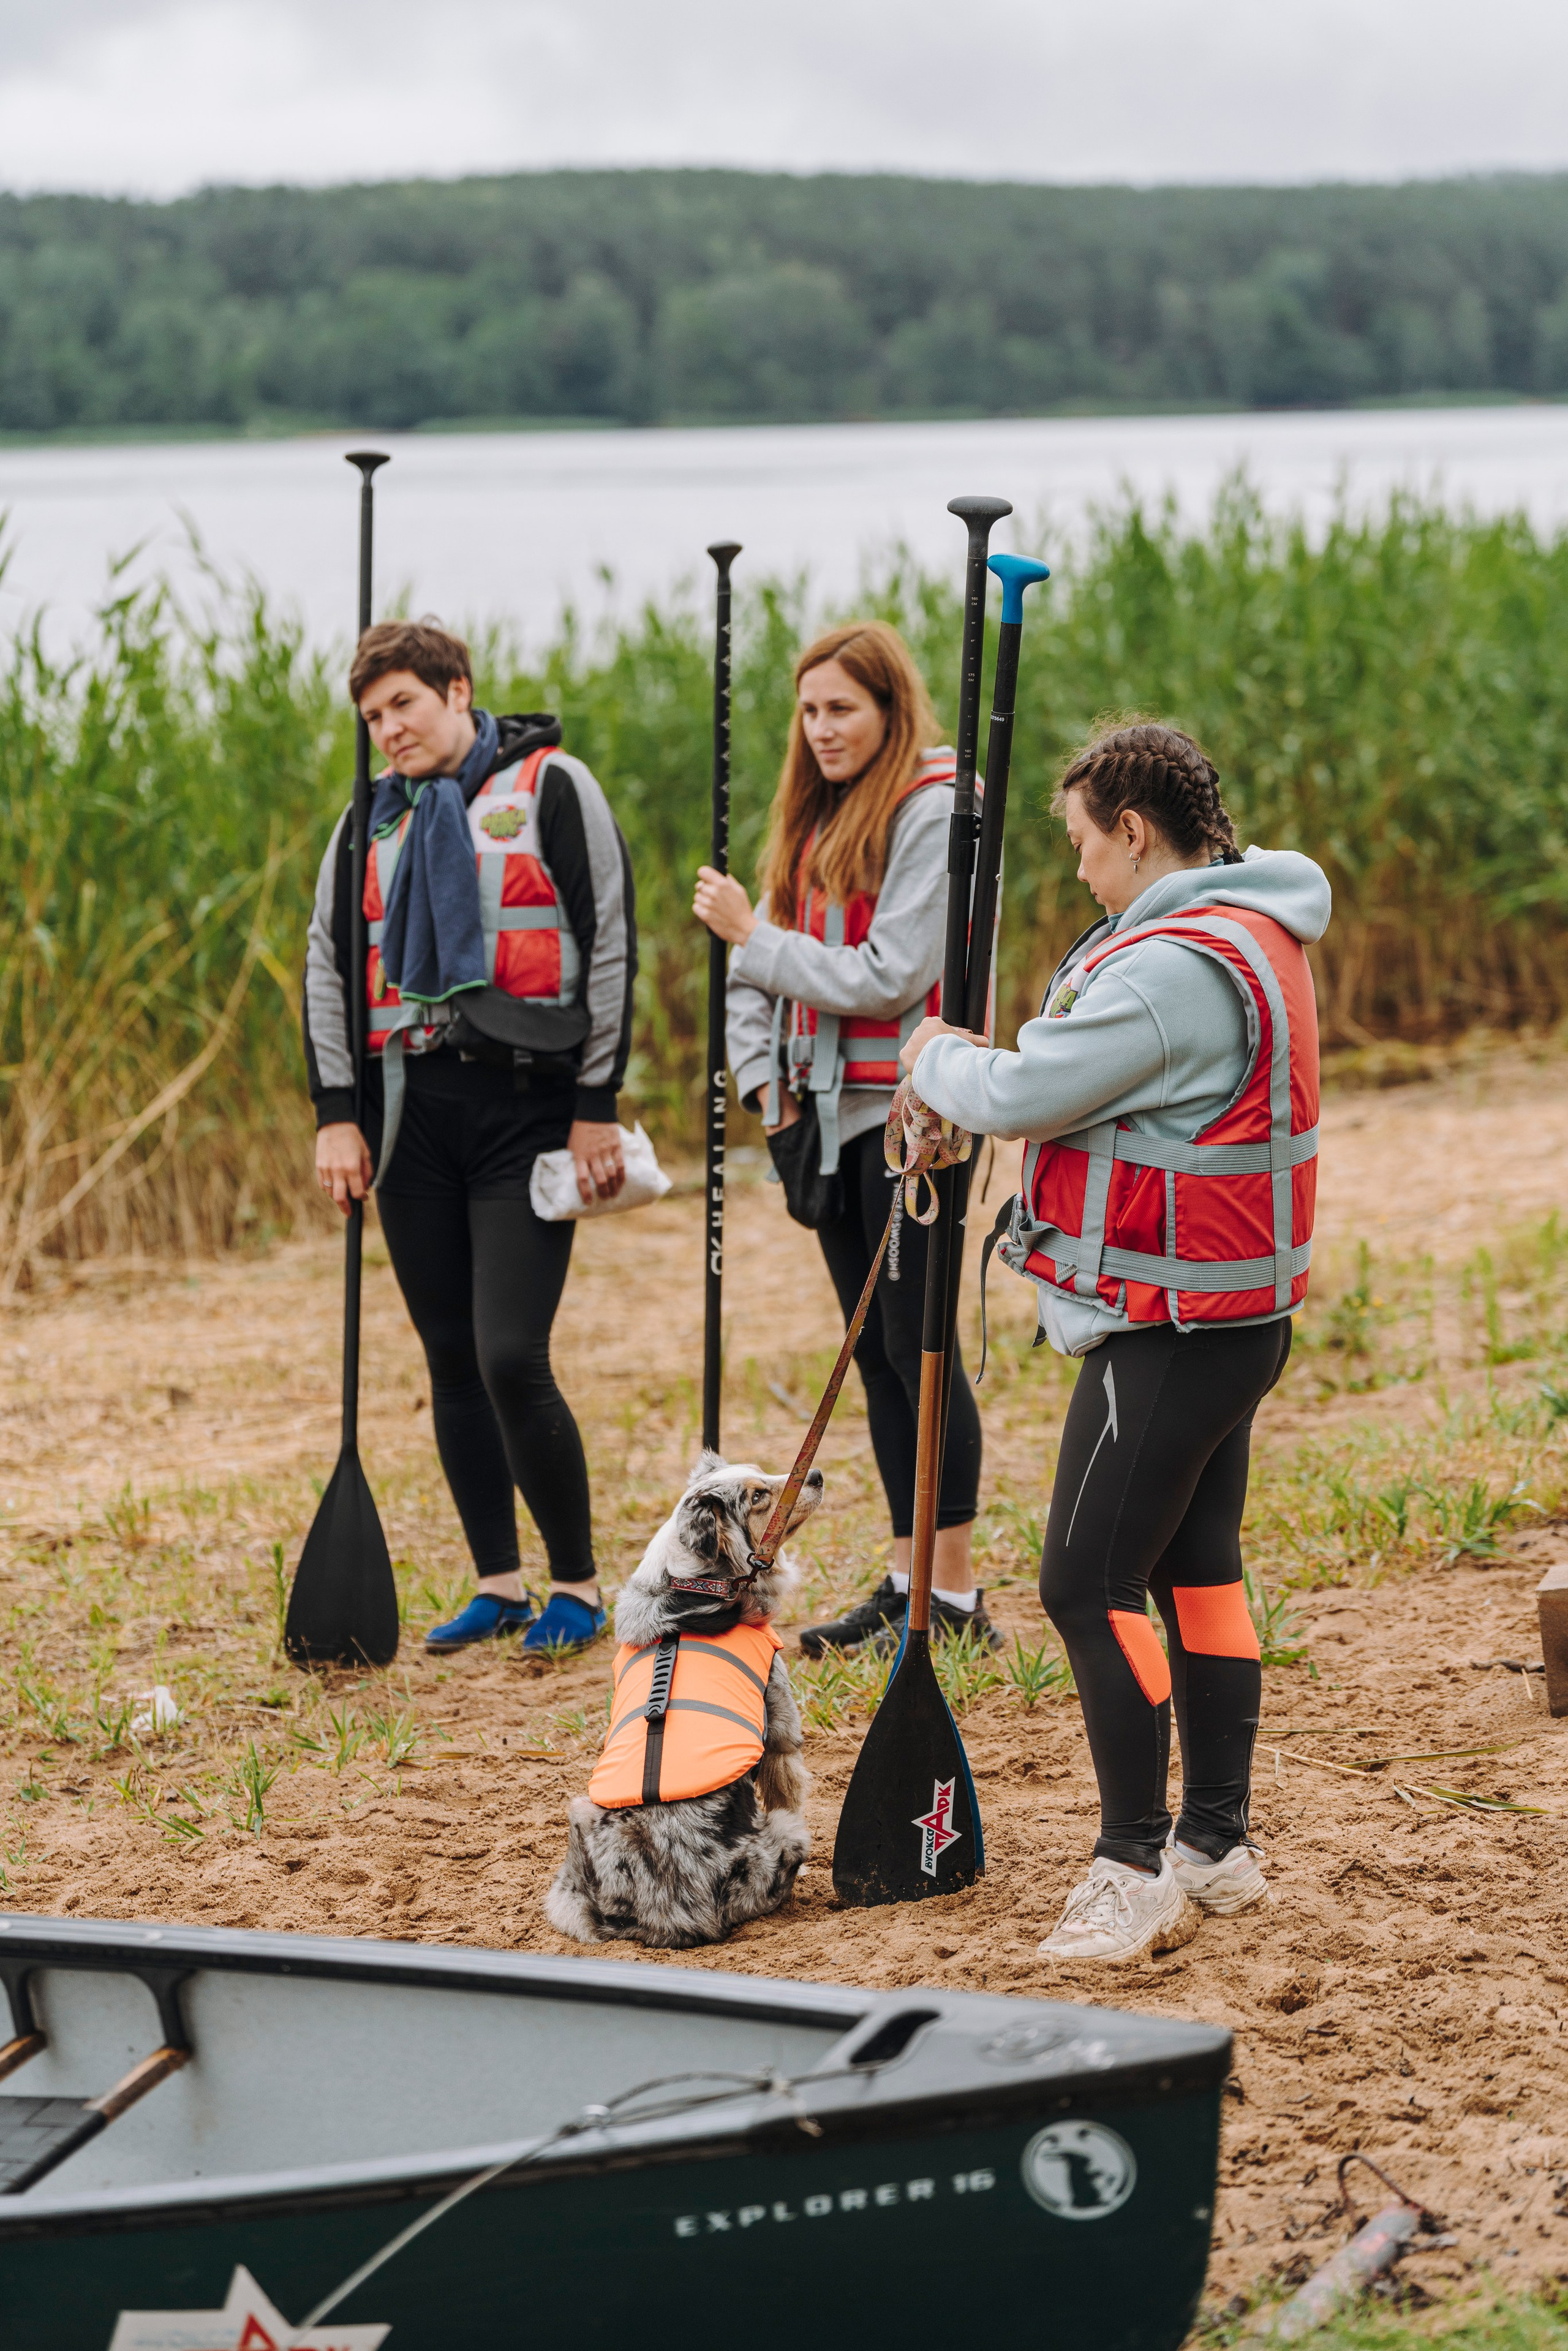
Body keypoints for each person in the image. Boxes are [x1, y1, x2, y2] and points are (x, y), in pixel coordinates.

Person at [903, 720, 1328, 1964]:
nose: (1081, 874)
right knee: (1194, 1568)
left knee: (1084, 1580)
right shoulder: (1254, 924)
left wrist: (931, 1054)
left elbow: (1027, 1090)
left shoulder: (1172, 965)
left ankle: (1131, 1860)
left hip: (1171, 1324)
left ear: (1133, 830)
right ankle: (1214, 1844)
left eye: (1086, 847)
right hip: (1229, 1314)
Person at [303, 619, 637, 1655]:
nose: (388, 729)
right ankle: (499, 1583)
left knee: (508, 1353)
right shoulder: (369, 820)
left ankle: (576, 1583)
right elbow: (328, 965)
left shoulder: (552, 787)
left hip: (528, 1108)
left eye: (402, 703)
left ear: (457, 690)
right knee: (449, 1354)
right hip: (408, 1113)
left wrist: (597, 1102)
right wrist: (336, 1116)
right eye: (371, 716)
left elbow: (611, 940)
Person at [693, 619, 995, 1655]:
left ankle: (951, 1599)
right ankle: (908, 1579)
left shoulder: (933, 809)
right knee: (873, 1355)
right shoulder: (812, 815)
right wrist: (770, 1095)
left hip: (911, 1126)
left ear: (889, 709)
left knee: (922, 1349)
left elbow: (889, 972)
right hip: (821, 1118)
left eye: (843, 709)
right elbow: (752, 975)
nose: (821, 730)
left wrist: (754, 938)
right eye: (809, 710)